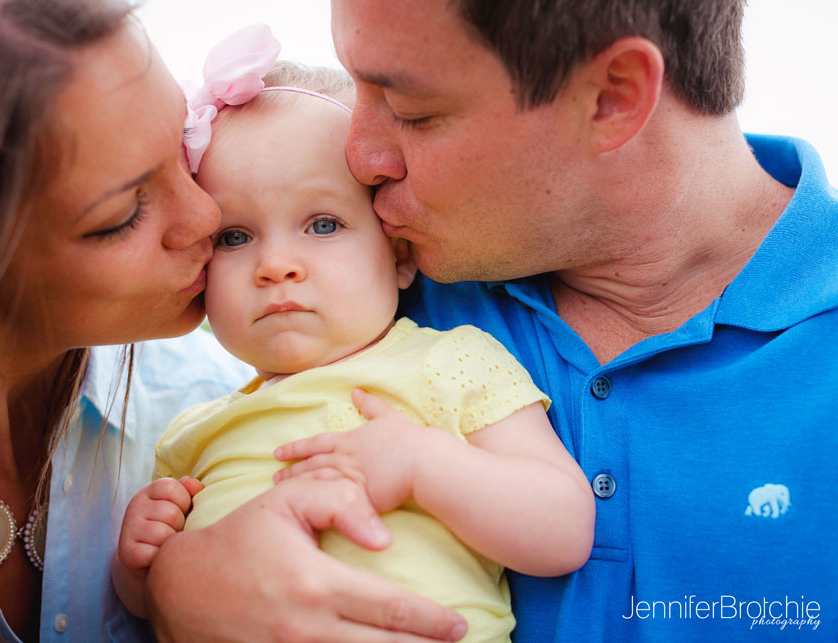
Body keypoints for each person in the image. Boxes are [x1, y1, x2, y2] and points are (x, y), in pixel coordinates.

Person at [146, 0, 838, 640]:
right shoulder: (367, 296)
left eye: (411, 109)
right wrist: (176, 581)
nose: (360, 155)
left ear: (612, 96)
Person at [0, 2, 469, 641]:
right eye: (122, 216)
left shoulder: (206, 396)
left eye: (183, 151)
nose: (205, 218)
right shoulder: (194, 438)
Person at [111, 29, 594, 642]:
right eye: (235, 236)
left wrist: (425, 464)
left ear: (397, 253)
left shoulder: (448, 361)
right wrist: (140, 566)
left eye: (322, 223)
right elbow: (166, 609)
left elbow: (563, 531)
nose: (275, 264)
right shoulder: (190, 432)